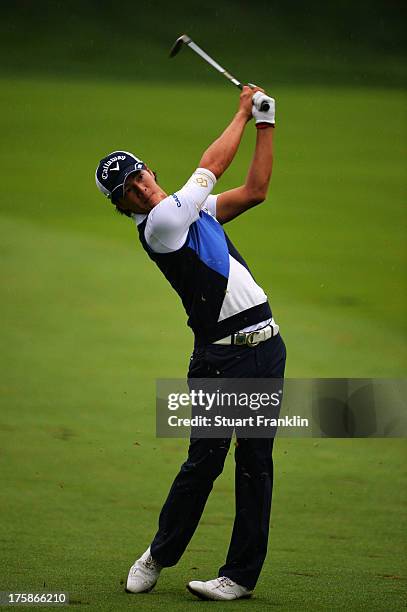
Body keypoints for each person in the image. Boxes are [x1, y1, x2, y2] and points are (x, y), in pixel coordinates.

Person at [95, 86, 286, 601]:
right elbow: (211, 168)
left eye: (139, 175)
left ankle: (240, 576)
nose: (139, 188)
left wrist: (266, 126)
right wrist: (244, 112)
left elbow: (255, 191)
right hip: (221, 359)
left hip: (266, 347)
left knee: (256, 464)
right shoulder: (160, 225)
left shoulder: (195, 214)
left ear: (149, 170)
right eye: (127, 191)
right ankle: (157, 556)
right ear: (123, 207)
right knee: (205, 461)